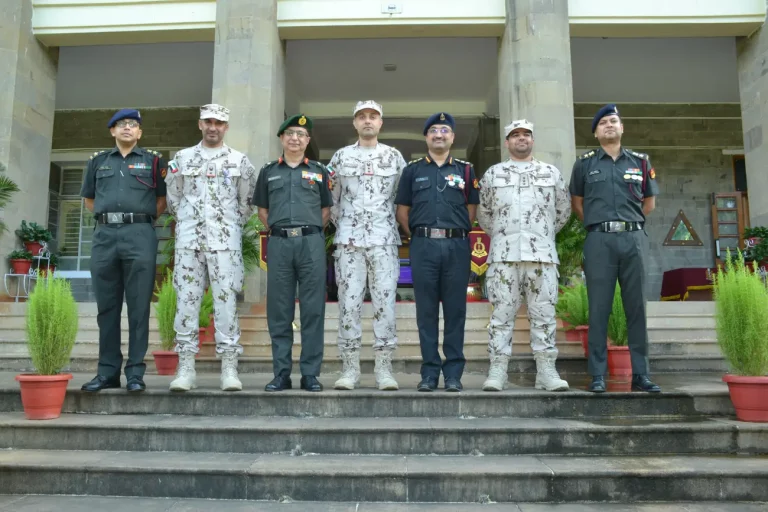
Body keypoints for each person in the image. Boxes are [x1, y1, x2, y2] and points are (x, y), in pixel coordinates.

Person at [164, 104, 257, 392]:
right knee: (187, 303)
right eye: (208, 122)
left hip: (225, 245)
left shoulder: (239, 161)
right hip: (190, 244)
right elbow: (173, 200)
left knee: (227, 303)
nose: (213, 127)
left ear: (226, 126)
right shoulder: (182, 158)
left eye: (219, 122)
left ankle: (229, 367)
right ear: (200, 124)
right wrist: (192, 223)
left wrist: (226, 225)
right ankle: (185, 367)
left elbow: (247, 204)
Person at [569, 104, 661, 394]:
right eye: (603, 123)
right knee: (598, 308)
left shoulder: (641, 162)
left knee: (637, 308)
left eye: (614, 121)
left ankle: (641, 374)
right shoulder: (584, 164)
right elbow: (578, 204)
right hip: (599, 241)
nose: (609, 125)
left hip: (633, 239)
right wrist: (601, 226)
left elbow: (649, 203)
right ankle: (597, 374)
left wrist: (627, 225)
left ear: (622, 128)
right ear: (595, 133)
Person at [477, 119, 571, 392]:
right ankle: (498, 371)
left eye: (526, 134)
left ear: (532, 140)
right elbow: (484, 215)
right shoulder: (493, 174)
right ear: (507, 142)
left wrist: (539, 235)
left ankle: (546, 372)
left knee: (544, 316)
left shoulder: (550, 173)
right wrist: (506, 235)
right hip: (504, 257)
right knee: (501, 316)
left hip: (542, 257)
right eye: (515, 135)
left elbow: (562, 212)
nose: (521, 138)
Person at [79, 109, 167, 392]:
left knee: (139, 307)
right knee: (107, 308)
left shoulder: (153, 161)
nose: (127, 128)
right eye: (121, 125)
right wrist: (112, 218)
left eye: (133, 125)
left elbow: (161, 201)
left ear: (140, 133)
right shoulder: (98, 162)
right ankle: (107, 372)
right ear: (112, 131)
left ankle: (135, 373)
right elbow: (90, 201)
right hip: (105, 236)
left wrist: (135, 219)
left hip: (139, 235)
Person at [394, 112, 479, 392]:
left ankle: (453, 373)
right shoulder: (413, 170)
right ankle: (429, 372)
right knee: (426, 312)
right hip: (423, 246)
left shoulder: (466, 170)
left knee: (456, 311)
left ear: (453, 137)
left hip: (457, 245)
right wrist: (418, 235)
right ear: (426, 137)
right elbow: (402, 211)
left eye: (444, 130)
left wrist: (454, 231)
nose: (439, 134)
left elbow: (471, 210)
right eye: (433, 130)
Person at [328, 100, 407, 391]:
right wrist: (347, 226)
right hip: (348, 242)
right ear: (354, 123)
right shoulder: (340, 157)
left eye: (373, 116)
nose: (368, 121)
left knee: (385, 304)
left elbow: (402, 199)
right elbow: (331, 200)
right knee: (348, 305)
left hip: (384, 241)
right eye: (362, 117)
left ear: (381, 122)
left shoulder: (394, 157)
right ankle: (350, 369)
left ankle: (384, 369)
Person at [253, 114, 333, 392]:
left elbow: (326, 211)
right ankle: (281, 373)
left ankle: (310, 373)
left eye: (301, 134)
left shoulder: (320, 171)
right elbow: (263, 211)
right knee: (279, 310)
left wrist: (305, 230)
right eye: (290, 134)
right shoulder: (268, 171)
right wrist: (282, 230)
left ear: (308, 140)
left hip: (310, 244)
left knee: (313, 310)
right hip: (279, 244)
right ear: (281, 139)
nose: (295, 138)